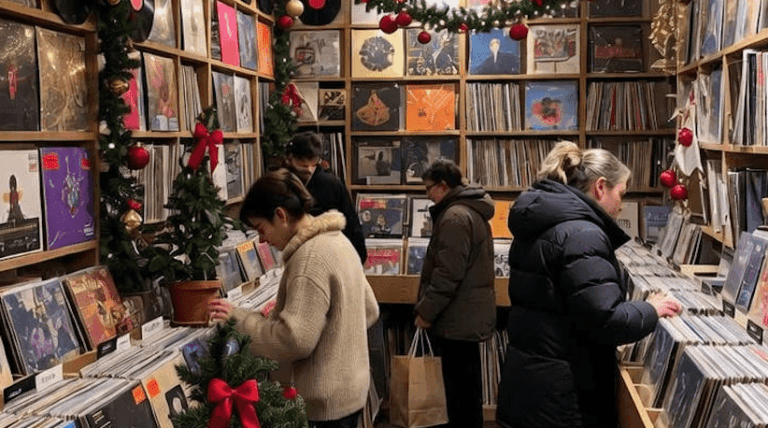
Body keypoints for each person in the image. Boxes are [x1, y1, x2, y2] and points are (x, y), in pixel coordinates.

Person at [496, 141, 681, 428]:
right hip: (564, 396)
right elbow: (606, 319)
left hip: (530, 384)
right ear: (600, 187)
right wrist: (650, 309)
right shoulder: (582, 233)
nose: (622, 205)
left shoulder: (544, 222)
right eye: (621, 193)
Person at [208, 169, 380, 428]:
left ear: (281, 215)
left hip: (320, 407)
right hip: (350, 394)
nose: (262, 240)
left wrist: (238, 321)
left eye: (261, 228)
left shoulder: (309, 258)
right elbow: (369, 310)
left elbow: (295, 340)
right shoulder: (337, 240)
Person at [414, 159, 496, 428]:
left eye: (429, 189)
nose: (428, 195)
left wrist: (426, 312)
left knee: (457, 394)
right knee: (466, 390)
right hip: (465, 317)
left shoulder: (454, 217)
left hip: (455, 319)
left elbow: (447, 276)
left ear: (443, 185)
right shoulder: (468, 211)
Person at [284, 131, 367, 264]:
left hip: (331, 254)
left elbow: (350, 222)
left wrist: (357, 258)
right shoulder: (284, 181)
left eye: (312, 164)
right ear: (291, 159)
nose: (308, 169)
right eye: (303, 164)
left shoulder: (330, 183)